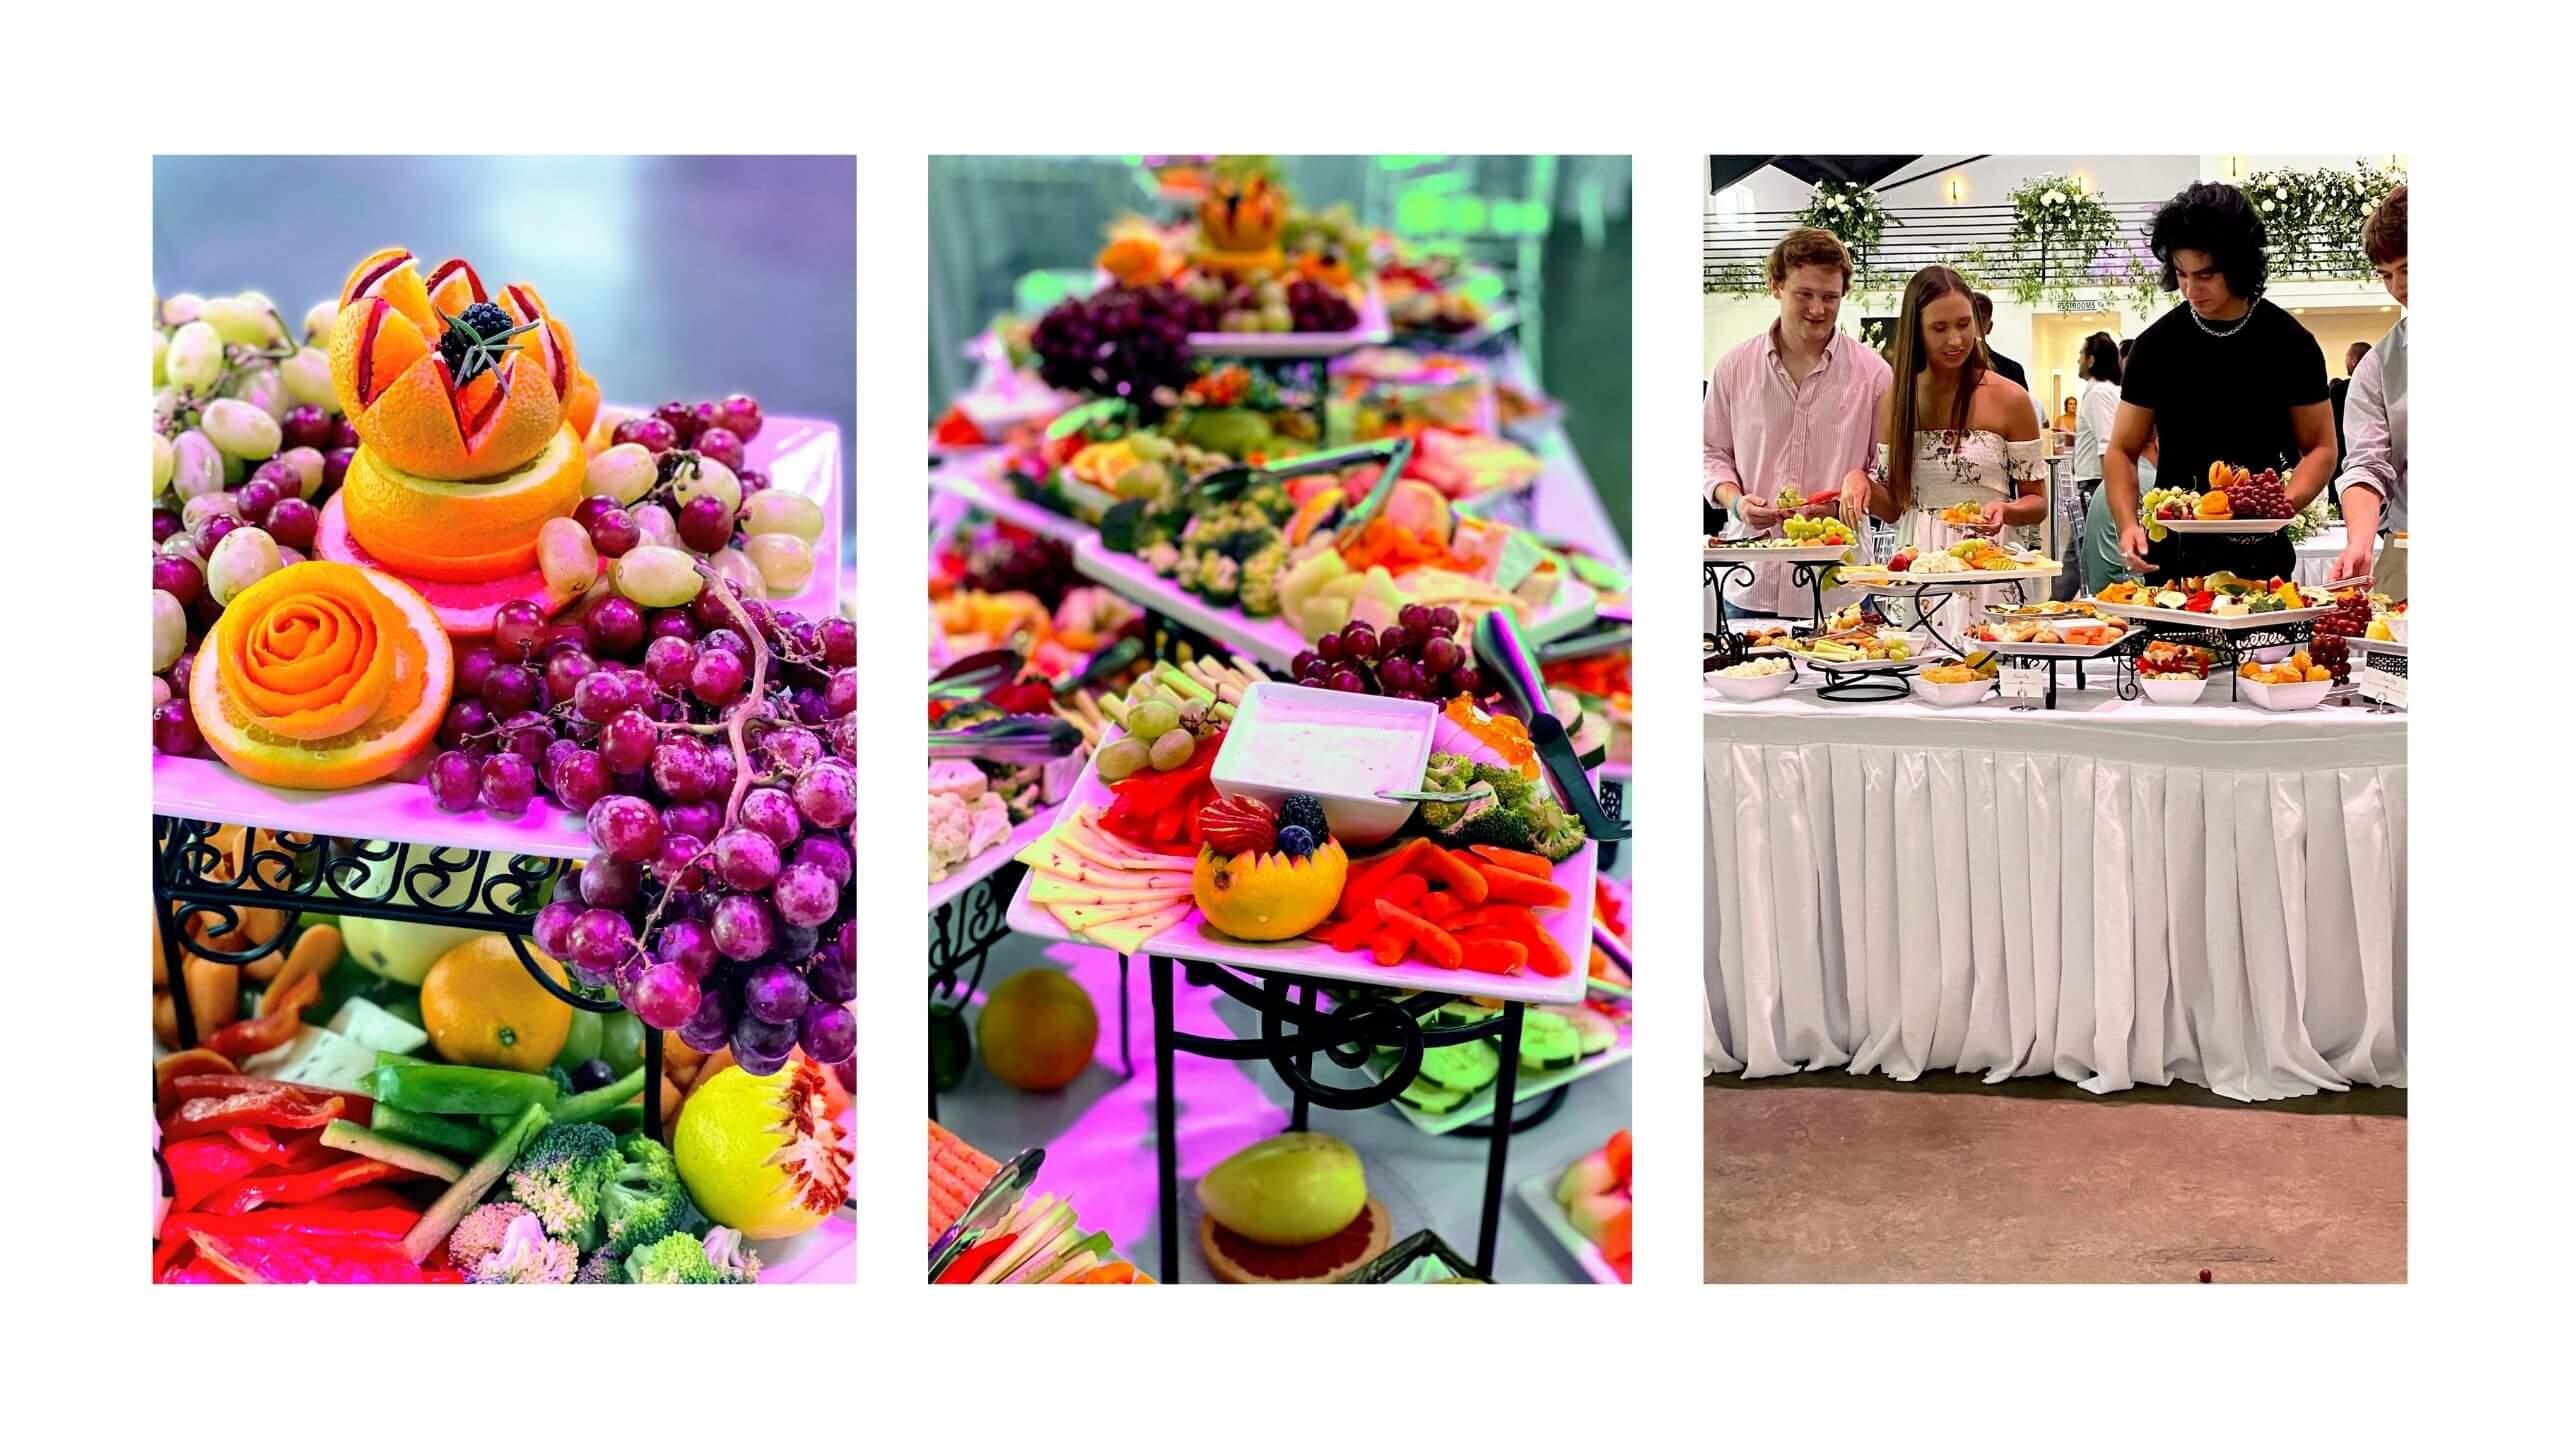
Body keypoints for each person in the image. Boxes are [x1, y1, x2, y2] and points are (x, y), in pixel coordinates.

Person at [2103, 182, 2337, 582]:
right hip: (2173, 558)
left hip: (2262, 558)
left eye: (2206, 274)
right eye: (2181, 274)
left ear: (2239, 264)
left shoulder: (2290, 343)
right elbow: (2121, 451)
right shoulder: (2156, 346)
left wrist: (2280, 505)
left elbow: (2321, 448)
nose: (2192, 290)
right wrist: (2128, 525)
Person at [1838, 265, 2046, 633]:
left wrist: (2005, 509)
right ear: (1916, 331)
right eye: (1939, 328)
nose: (1955, 340)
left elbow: (2037, 503)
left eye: (1964, 324)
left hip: (1987, 564)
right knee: (1920, 675)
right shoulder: (1896, 401)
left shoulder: (2011, 399)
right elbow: (1893, 508)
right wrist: (1861, 480)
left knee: (1990, 665)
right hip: (1918, 569)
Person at [1703, 227, 1892, 618]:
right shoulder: (1734, 368)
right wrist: (1735, 502)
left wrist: (1854, 496)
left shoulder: (1874, 374)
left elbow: (1885, 468)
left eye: (1830, 297)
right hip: (1751, 583)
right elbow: (1710, 452)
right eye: (1803, 294)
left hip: (1842, 587)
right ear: (1776, 286)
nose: (1818, 309)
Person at [2335, 184, 2408, 595]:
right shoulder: (2378, 365)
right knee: (2393, 654)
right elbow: (2366, 463)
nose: (2397, 287)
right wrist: (2360, 541)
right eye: (2386, 274)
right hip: (2408, 545)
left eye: (2407, 269)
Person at [2070, 332, 2125, 594]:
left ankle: (2059, 603)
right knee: (2077, 551)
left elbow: (2107, 442)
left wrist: (2109, 490)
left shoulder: (2098, 393)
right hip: (2098, 482)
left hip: (2096, 483)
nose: (2077, 360)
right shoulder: (2109, 390)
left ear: (2091, 360)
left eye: (2081, 354)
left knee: (2081, 551)